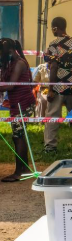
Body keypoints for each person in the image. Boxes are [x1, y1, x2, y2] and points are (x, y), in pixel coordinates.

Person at [43, 17, 72, 154]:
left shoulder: (53, 45)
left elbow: (54, 67)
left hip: (58, 88)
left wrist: (50, 89)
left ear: (55, 28)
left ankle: (50, 147)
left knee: (52, 116)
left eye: (52, 27)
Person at [0, 38, 36, 182]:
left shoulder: (20, 63)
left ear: (9, 51)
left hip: (24, 104)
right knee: (19, 135)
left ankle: (18, 172)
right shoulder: (11, 63)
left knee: (18, 136)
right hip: (17, 104)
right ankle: (25, 167)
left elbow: (11, 85)